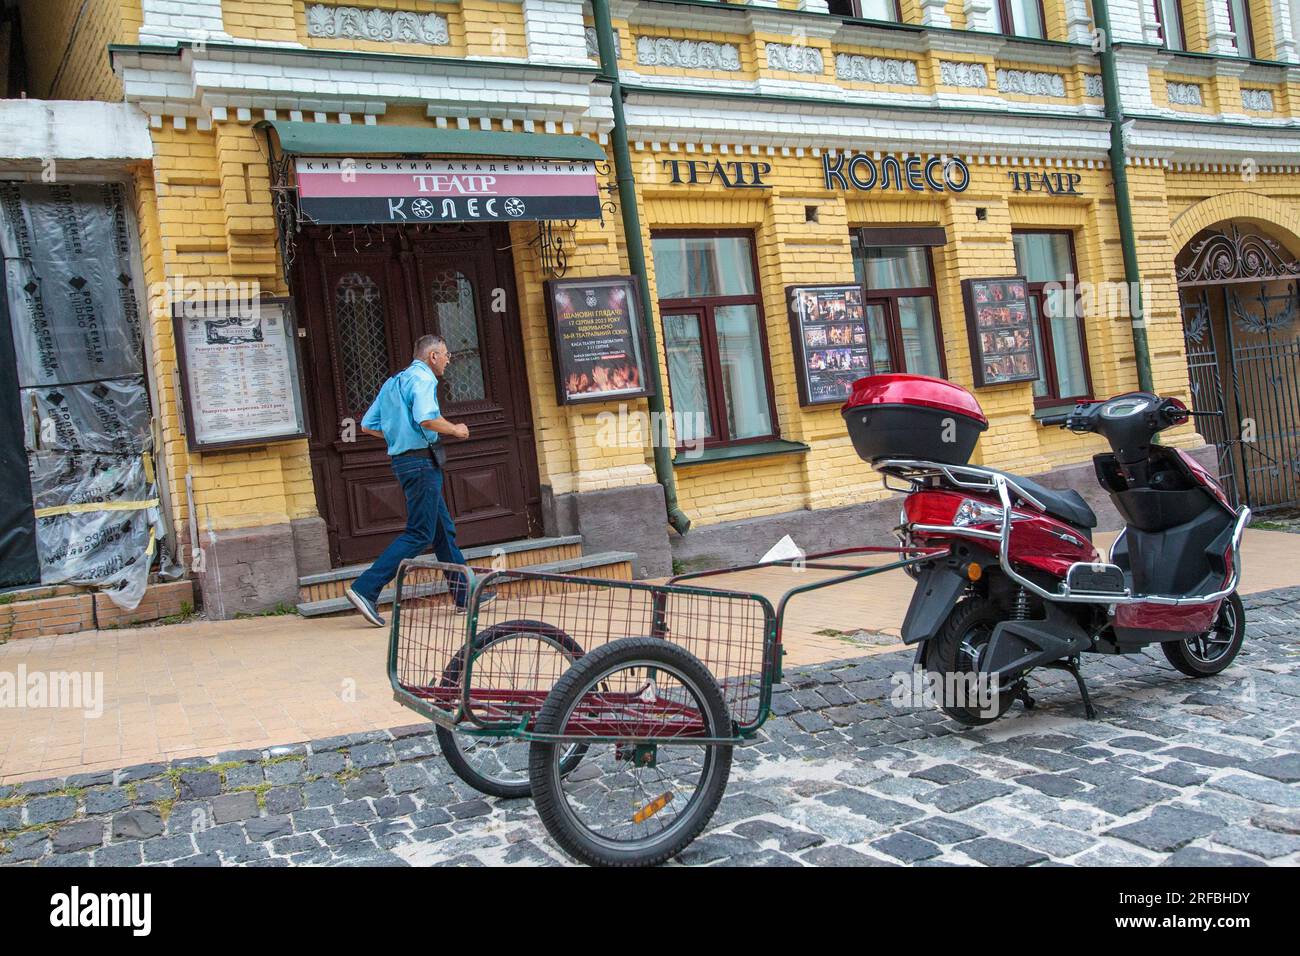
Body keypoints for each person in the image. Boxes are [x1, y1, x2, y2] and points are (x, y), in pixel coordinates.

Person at [345, 334, 488, 626]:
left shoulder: (393, 382)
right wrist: (456, 430)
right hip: (421, 462)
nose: (448, 360)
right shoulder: (423, 379)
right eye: (446, 355)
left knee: (443, 531)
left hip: (406, 462)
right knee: (420, 533)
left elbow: (368, 425)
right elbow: (426, 419)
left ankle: (465, 595)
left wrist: (398, 435)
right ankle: (365, 588)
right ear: (433, 356)